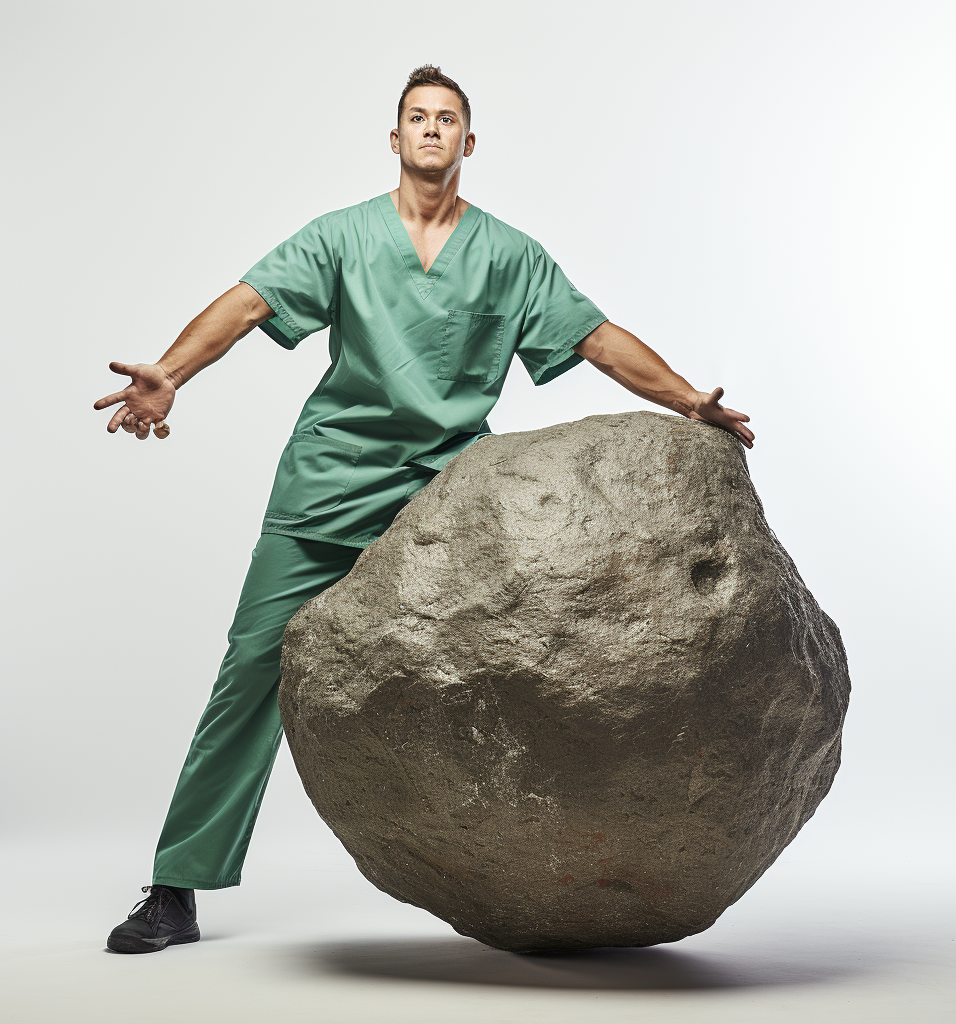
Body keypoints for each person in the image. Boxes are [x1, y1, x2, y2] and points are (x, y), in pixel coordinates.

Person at [94, 64, 755, 954]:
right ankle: (175, 887)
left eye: (448, 119)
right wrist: (171, 372)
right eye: (418, 118)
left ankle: (534, 874)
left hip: (446, 501)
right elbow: (248, 304)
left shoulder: (511, 256)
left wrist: (686, 400)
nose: (433, 130)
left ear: (469, 143)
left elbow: (596, 337)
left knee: (514, 661)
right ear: (396, 139)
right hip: (328, 484)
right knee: (250, 676)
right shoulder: (342, 237)